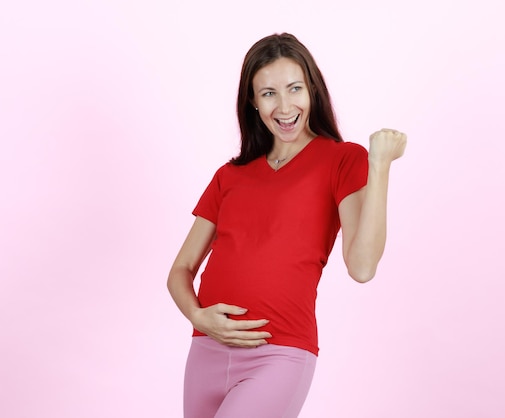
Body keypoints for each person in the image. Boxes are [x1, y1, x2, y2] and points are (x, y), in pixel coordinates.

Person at [167, 32, 407, 418]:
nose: (284, 106)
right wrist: (198, 317)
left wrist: (379, 167)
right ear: (252, 101)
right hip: (205, 351)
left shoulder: (342, 160)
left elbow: (362, 267)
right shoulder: (230, 175)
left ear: (311, 89)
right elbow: (180, 270)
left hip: (279, 354)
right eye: (268, 94)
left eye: (294, 89)